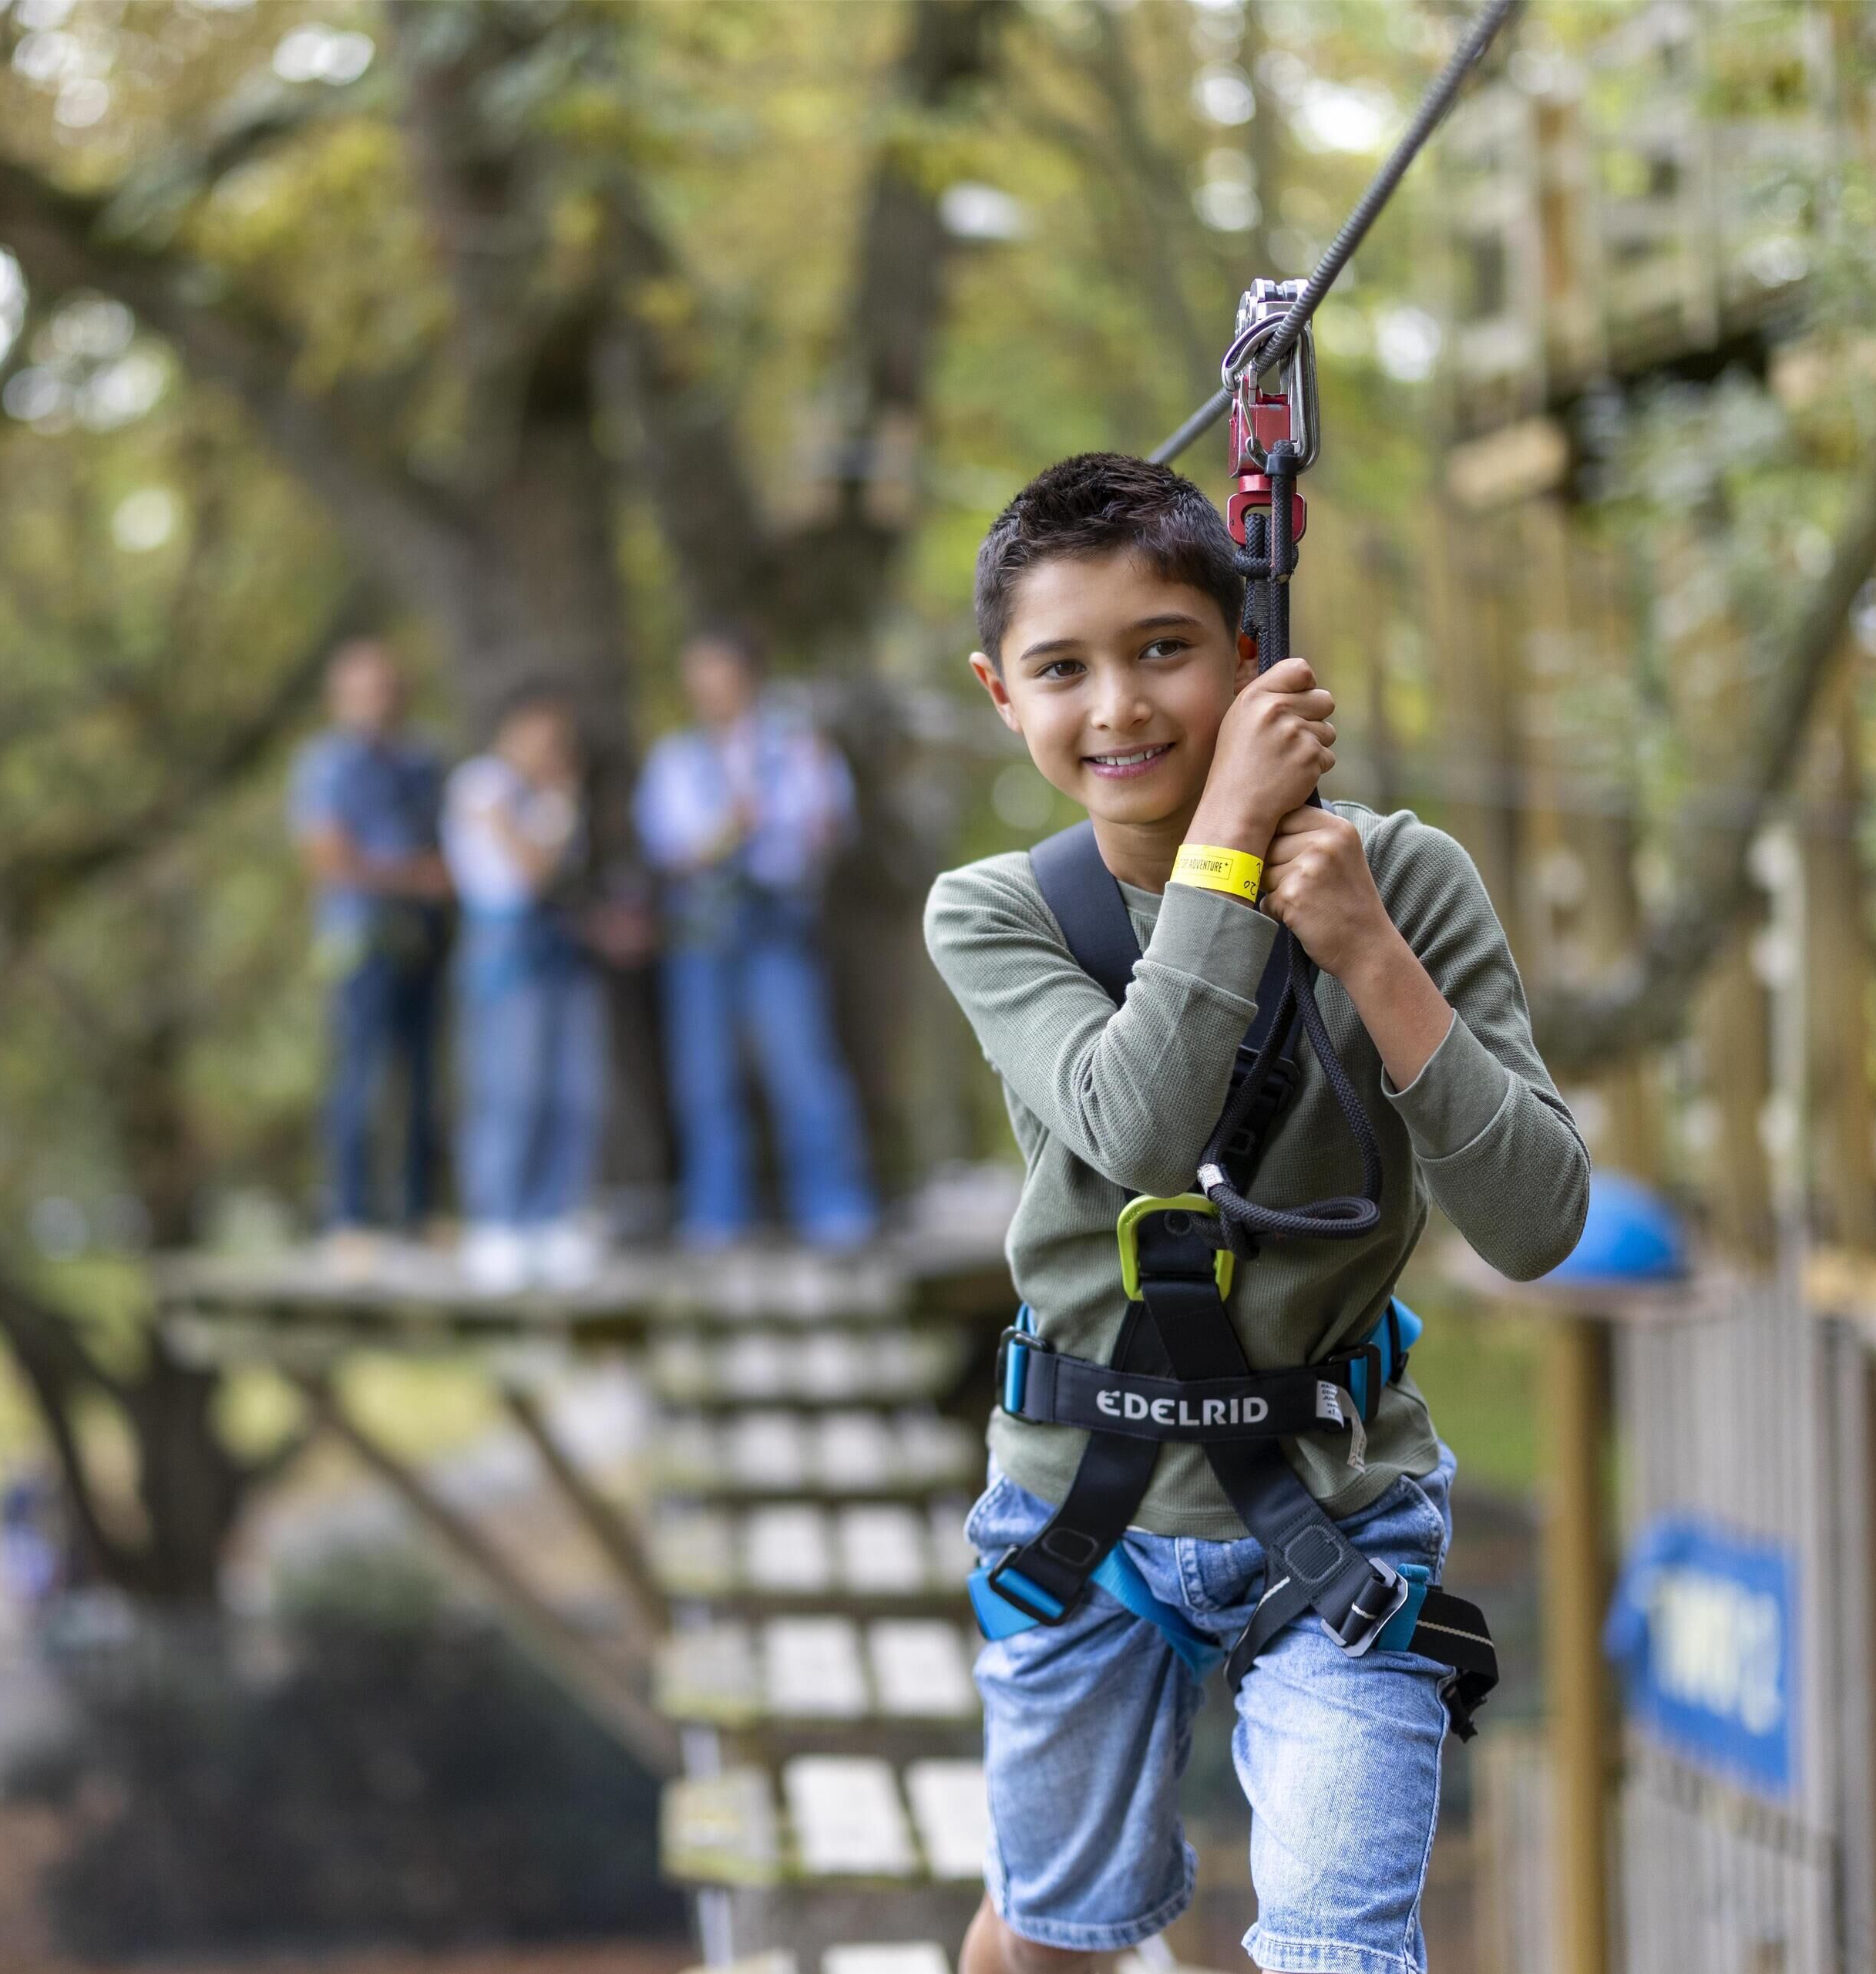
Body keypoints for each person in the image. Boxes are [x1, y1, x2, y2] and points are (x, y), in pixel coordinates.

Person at [924, 453, 1589, 1974]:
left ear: (1247, 653)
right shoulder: (999, 912)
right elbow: (1140, 1129)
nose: (1120, 707)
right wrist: (1227, 840)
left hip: (1335, 1505)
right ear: (999, 693)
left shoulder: (1401, 877)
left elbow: (1538, 1220)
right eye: (1062, 668)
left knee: (1341, 1946)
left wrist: (1367, 950)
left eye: (1163, 648)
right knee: (1057, 1936)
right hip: (1083, 1511)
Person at [634, 627, 878, 1250]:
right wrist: (729, 830)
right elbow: (669, 852)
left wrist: (807, 812)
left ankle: (835, 1207)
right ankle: (716, 1214)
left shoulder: (797, 748)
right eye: (697, 675)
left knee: (803, 1066)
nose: (708, 688)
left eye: (719, 672)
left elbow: (829, 831)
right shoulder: (675, 759)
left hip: (777, 925)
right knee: (705, 1077)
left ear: (748, 675)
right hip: (701, 931)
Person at [440, 687, 605, 1292]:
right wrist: (553, 806)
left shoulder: (550, 799)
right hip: (505, 946)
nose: (549, 750)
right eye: (540, 736)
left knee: (570, 1086)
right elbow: (531, 870)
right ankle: (496, 1220)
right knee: (509, 1087)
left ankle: (552, 1216)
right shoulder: (482, 783)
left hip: (561, 946)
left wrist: (550, 809)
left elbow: (555, 867)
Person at [288, 639, 450, 1241]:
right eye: (364, 691)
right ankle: (349, 1218)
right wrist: (413, 876)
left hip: (426, 937)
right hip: (359, 939)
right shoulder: (324, 765)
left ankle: (418, 1214)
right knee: (359, 1078)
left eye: (387, 689)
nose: (378, 702)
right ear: (339, 698)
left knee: (425, 1078)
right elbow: (329, 858)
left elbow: (449, 851)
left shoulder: (425, 762)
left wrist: (423, 877)